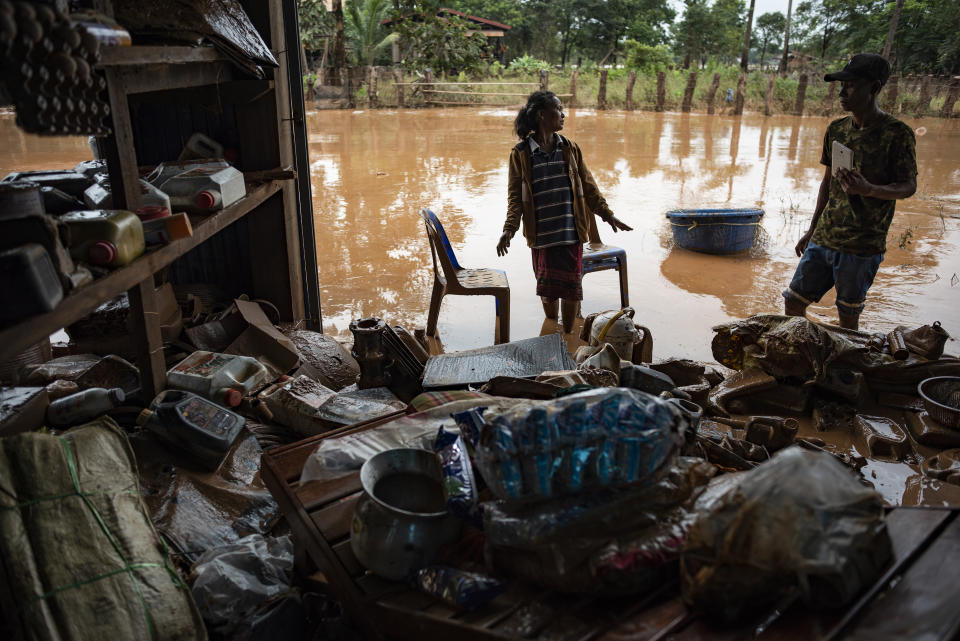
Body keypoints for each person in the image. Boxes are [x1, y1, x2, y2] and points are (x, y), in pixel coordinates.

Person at [782, 53, 917, 331]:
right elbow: (826, 184)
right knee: (793, 303)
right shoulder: (837, 130)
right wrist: (811, 230)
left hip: (862, 245)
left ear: (874, 88)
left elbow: (908, 186)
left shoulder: (897, 134)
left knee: (847, 317)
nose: (842, 93)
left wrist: (869, 189)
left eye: (851, 86)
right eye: (841, 86)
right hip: (825, 237)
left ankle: (844, 371)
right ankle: (799, 359)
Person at [497, 91, 632, 333]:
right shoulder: (520, 154)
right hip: (542, 238)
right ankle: (551, 333)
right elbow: (515, 198)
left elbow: (589, 187)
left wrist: (607, 214)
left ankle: (568, 337)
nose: (563, 115)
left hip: (570, 234)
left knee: (571, 290)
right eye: (559, 109)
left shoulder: (570, 149)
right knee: (548, 296)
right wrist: (509, 230)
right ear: (542, 115)